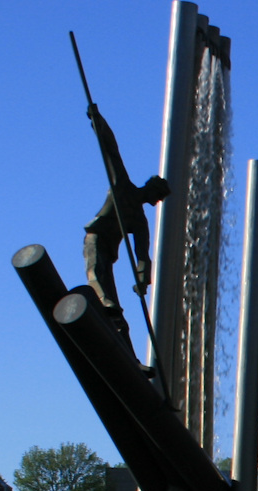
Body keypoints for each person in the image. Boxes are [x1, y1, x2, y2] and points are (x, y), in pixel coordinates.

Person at [82, 104, 170, 337]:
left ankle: (124, 343)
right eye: (157, 197)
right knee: (96, 276)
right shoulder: (122, 186)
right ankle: (105, 304)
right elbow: (111, 149)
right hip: (96, 238)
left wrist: (143, 281)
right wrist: (98, 121)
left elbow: (143, 255)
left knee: (114, 307)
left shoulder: (140, 221)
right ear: (151, 189)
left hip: (109, 251)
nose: (156, 202)